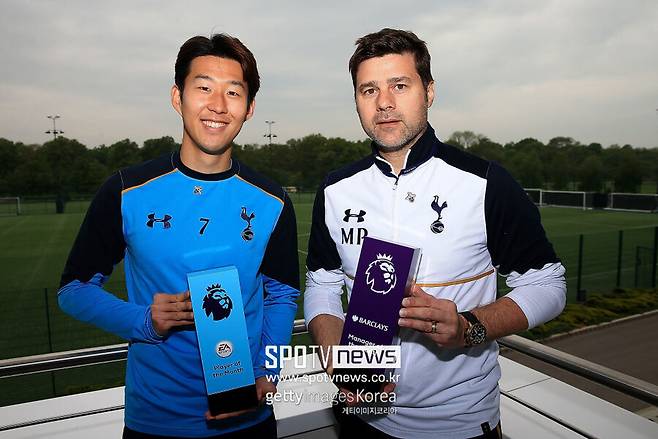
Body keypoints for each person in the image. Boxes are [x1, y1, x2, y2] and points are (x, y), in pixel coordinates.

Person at [304, 28, 566, 439]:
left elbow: (547, 284)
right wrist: (335, 352)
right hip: (361, 414)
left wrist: (468, 327)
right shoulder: (336, 189)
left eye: (399, 85)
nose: (384, 102)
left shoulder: (485, 183)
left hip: (459, 425)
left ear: (428, 91)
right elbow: (322, 283)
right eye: (369, 90)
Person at [58, 33, 300, 438]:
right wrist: (145, 320)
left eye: (233, 92)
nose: (218, 105)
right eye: (203, 87)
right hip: (155, 423)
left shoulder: (271, 200)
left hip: (248, 418)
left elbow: (282, 295)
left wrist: (267, 371)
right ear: (177, 97)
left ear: (249, 108)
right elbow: (74, 290)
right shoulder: (126, 191)